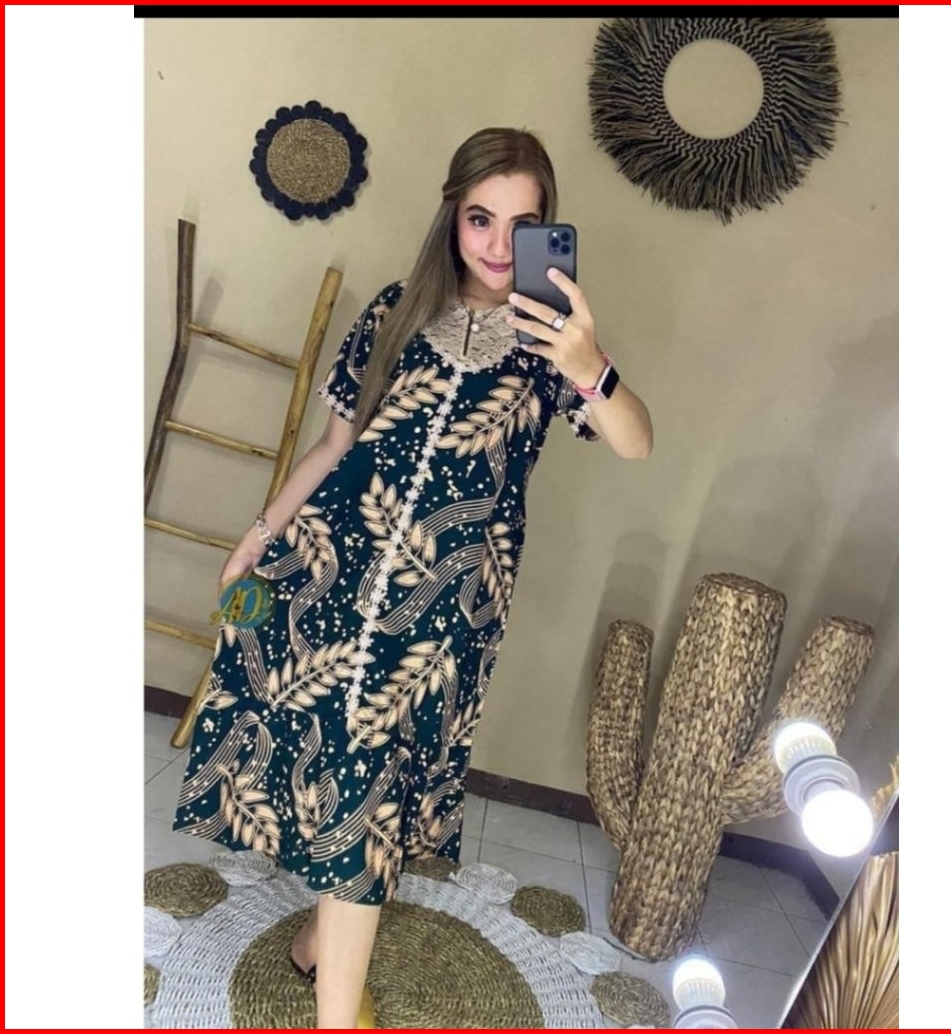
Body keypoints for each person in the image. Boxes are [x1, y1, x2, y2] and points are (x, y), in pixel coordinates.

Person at [172, 127, 653, 1028]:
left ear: (549, 230)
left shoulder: (554, 342)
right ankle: (330, 989)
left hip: (442, 611)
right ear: (452, 217)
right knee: (343, 772)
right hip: (333, 577)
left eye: (523, 225)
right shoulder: (396, 311)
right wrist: (257, 536)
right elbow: (334, 443)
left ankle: (321, 950)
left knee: (381, 781)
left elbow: (637, 441)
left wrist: (592, 369)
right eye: (480, 219)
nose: (499, 245)